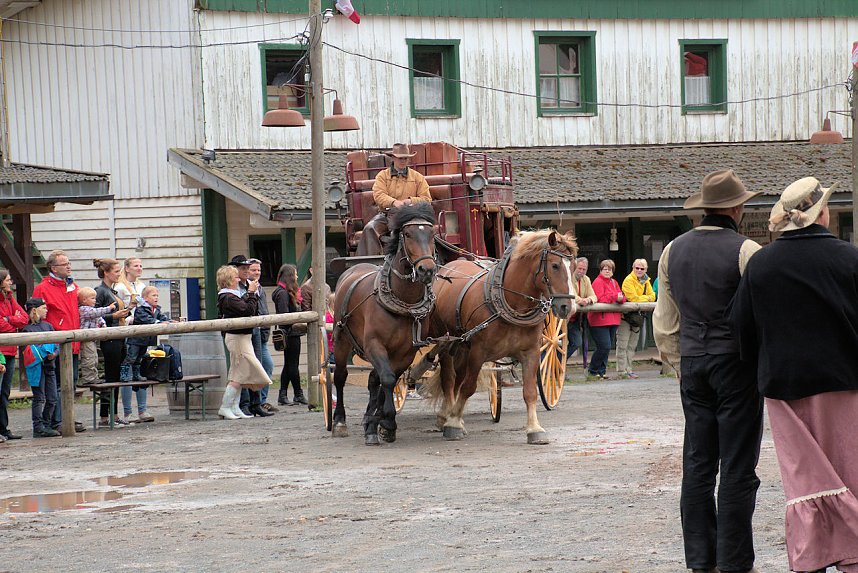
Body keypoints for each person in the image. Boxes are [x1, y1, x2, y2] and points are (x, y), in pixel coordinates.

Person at [731, 177, 858, 573]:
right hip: (845, 383)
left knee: (804, 481)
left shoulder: (761, 265)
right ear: (821, 213)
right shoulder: (850, 259)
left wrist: (760, 369)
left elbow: (741, 328)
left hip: (785, 389)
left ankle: (810, 559)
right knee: (849, 472)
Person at [653, 169, 763, 573]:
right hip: (735, 364)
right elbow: (759, 316)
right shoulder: (746, 250)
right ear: (736, 207)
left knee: (698, 463)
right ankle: (734, 560)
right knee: (737, 464)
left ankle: (700, 559)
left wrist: (680, 364)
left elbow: (664, 322)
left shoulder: (671, 251)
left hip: (694, 362)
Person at [31, 250, 87, 433]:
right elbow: (37, 315)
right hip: (55, 344)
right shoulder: (43, 288)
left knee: (70, 382)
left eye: (69, 263)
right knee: (56, 385)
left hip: (73, 341)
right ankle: (57, 421)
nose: (69, 266)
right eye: (65, 264)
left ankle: (67, 417)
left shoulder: (72, 286)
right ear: (54, 268)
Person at [216, 264, 273, 420]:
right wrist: (251, 292)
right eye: (235, 277)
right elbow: (247, 310)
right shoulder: (227, 297)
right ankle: (225, 406)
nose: (238, 279)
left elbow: (249, 308)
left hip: (243, 337)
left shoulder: (233, 295)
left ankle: (234, 407)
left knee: (238, 373)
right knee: (241, 373)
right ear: (228, 280)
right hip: (237, 338)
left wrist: (250, 294)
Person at [356, 143, 432, 256]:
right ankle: (371, 260)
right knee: (370, 229)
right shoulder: (382, 176)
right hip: (387, 215)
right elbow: (378, 195)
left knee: (426, 231)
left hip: (412, 217)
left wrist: (410, 201)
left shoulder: (418, 177)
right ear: (393, 158)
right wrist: (394, 202)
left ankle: (428, 259)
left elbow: (426, 199)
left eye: (405, 158)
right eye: (400, 158)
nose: (403, 161)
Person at [122, 286, 171, 423]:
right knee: (131, 358)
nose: (156, 297)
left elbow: (161, 317)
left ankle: (137, 374)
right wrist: (157, 322)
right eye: (153, 295)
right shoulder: (141, 309)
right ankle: (125, 373)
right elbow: (145, 319)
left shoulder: (157, 309)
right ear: (145, 298)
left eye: (157, 295)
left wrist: (167, 321)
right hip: (136, 339)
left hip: (146, 341)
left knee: (140, 359)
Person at [93, 258, 132, 427]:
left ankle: (113, 414)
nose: (119, 275)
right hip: (110, 339)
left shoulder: (113, 291)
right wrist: (113, 316)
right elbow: (94, 314)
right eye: (116, 272)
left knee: (116, 376)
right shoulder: (100, 291)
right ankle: (106, 415)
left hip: (119, 336)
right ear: (106, 273)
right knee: (111, 376)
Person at [21, 297, 60, 438]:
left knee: (52, 398)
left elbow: (57, 344)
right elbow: (28, 350)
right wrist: (44, 353)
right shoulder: (27, 330)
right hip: (37, 368)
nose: (46, 310)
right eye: (43, 307)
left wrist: (54, 353)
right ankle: (38, 426)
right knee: (39, 398)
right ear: (34, 310)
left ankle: (46, 423)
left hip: (50, 366)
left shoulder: (48, 326)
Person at [272, 264, 307, 405]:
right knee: (293, 365)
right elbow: (284, 316)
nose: (297, 277)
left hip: (291, 333)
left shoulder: (284, 292)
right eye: (295, 274)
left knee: (288, 365)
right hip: (290, 333)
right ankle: (298, 394)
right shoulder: (282, 293)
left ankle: (283, 395)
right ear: (290, 276)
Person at [0, 269, 28, 441]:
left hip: (10, 351)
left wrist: (9, 319)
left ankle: (3, 428)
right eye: (8, 280)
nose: (11, 282)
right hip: (1, 350)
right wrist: (11, 320)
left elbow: (24, 318)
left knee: (5, 392)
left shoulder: (9, 298)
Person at [616, 259, 656, 379]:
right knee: (622, 344)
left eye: (642, 268)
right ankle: (621, 372)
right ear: (633, 268)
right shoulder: (628, 280)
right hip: (625, 316)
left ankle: (629, 369)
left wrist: (644, 298)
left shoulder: (646, 280)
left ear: (646, 270)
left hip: (637, 318)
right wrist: (646, 298)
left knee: (632, 345)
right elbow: (633, 298)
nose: (639, 270)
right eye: (637, 268)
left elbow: (653, 295)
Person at [247, 258, 277, 413]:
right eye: (253, 270)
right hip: (252, 333)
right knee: (260, 366)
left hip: (263, 332)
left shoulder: (260, 287)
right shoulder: (246, 287)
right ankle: (255, 402)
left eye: (258, 270)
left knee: (267, 366)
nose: (257, 272)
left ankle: (262, 400)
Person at [587, 259, 624, 380]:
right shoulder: (597, 282)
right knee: (604, 346)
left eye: (609, 269)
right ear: (601, 270)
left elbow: (622, 296)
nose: (607, 271)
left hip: (613, 318)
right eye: (605, 269)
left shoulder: (614, 282)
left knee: (607, 347)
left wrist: (620, 299)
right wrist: (614, 297)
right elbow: (599, 298)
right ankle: (593, 370)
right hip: (599, 319)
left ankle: (601, 371)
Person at [77, 287, 115, 386]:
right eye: (92, 298)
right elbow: (95, 313)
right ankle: (88, 378)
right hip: (85, 338)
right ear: (84, 300)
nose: (95, 300)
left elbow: (99, 318)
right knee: (89, 358)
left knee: (94, 357)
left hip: (92, 338)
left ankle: (94, 376)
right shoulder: (83, 310)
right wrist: (108, 308)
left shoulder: (92, 310)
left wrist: (103, 325)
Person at [565, 257, 597, 365]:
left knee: (576, 342)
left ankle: (560, 363)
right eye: (579, 268)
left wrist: (588, 299)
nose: (581, 271)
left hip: (575, 319)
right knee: (558, 344)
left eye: (584, 269)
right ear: (575, 267)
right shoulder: (568, 277)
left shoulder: (586, 279)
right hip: (563, 317)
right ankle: (555, 366)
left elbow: (594, 296)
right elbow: (571, 294)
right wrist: (580, 300)